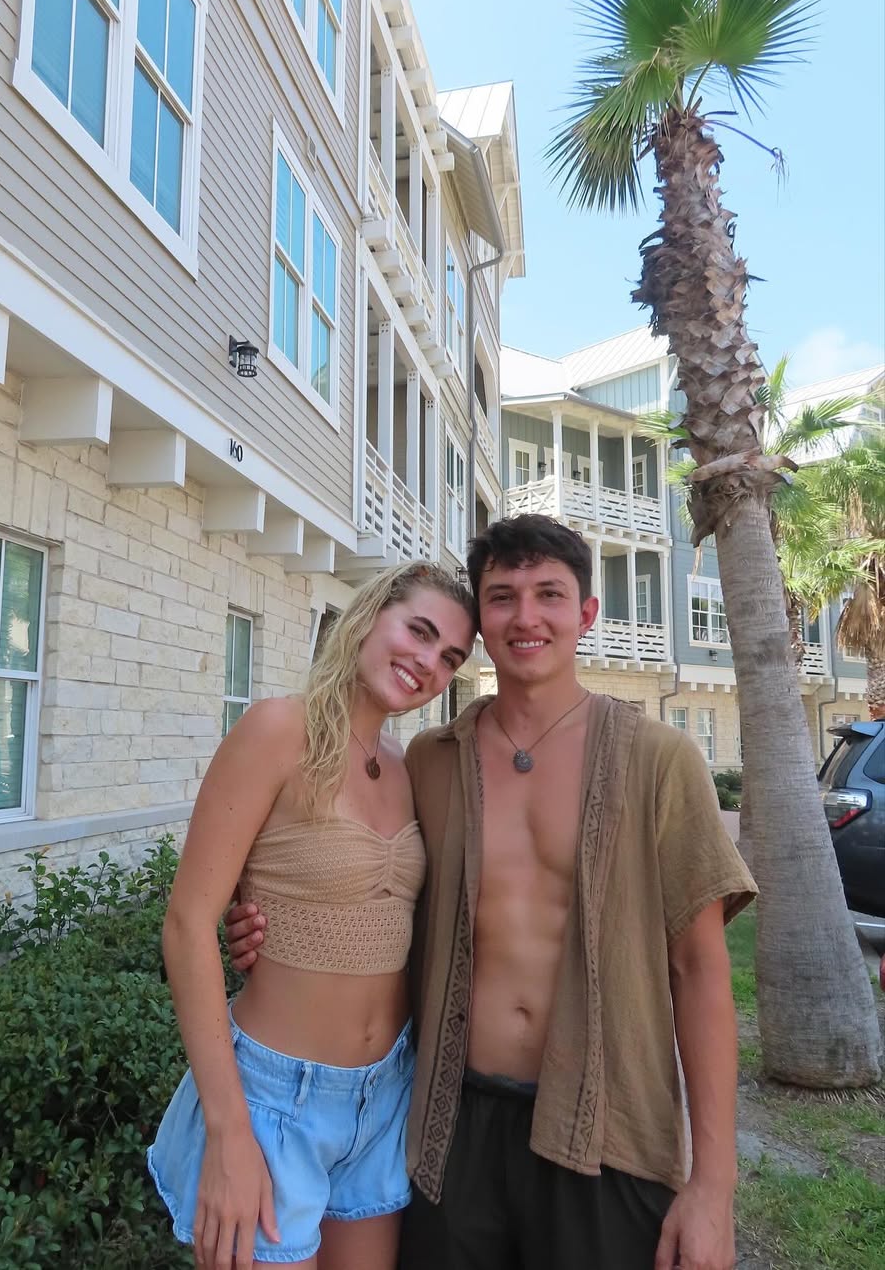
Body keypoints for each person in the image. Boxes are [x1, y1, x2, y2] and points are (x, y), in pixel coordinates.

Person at [226, 515, 757, 1270]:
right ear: (481, 623)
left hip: (606, 1130)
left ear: (586, 614)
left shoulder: (659, 761)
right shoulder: (431, 761)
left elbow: (701, 970)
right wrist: (258, 919)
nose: (526, 616)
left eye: (549, 594)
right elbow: (358, 879)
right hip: (453, 1126)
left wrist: (714, 1185)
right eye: (503, 596)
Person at [147, 561, 478, 1270]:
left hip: (383, 1095)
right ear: (370, 616)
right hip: (273, 1102)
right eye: (419, 632)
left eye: (451, 656)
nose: (430, 663)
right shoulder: (277, 730)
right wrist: (229, 1131)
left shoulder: (406, 765)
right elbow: (186, 925)